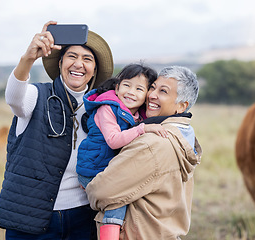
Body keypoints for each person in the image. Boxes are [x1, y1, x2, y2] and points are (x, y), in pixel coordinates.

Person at [0, 21, 113, 239]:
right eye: (72, 57)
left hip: (83, 218)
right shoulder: (36, 96)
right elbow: (13, 96)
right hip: (31, 219)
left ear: (94, 69)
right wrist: (28, 58)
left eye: (87, 59)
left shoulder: (100, 109)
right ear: (60, 63)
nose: (79, 64)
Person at [85, 66, 203, 239]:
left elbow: (101, 191)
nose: (152, 95)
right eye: (153, 87)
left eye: (163, 91)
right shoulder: (185, 136)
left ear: (182, 106)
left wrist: (89, 187)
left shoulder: (153, 143)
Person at [77, 63, 168, 239]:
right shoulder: (108, 108)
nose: (131, 92)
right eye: (126, 85)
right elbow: (113, 141)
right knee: (116, 200)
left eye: (139, 89)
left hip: (108, 169)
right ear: (117, 88)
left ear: (146, 95)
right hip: (92, 168)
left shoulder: (138, 115)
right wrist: (143, 129)